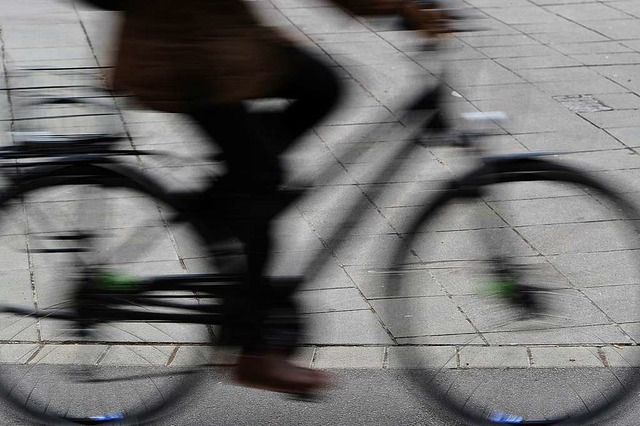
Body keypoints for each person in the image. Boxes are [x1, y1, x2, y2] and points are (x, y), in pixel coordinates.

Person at [108, 0, 449, 395]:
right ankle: (253, 351)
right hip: (184, 52)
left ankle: (227, 200)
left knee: (321, 87)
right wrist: (395, 6)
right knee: (260, 181)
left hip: (215, 38)